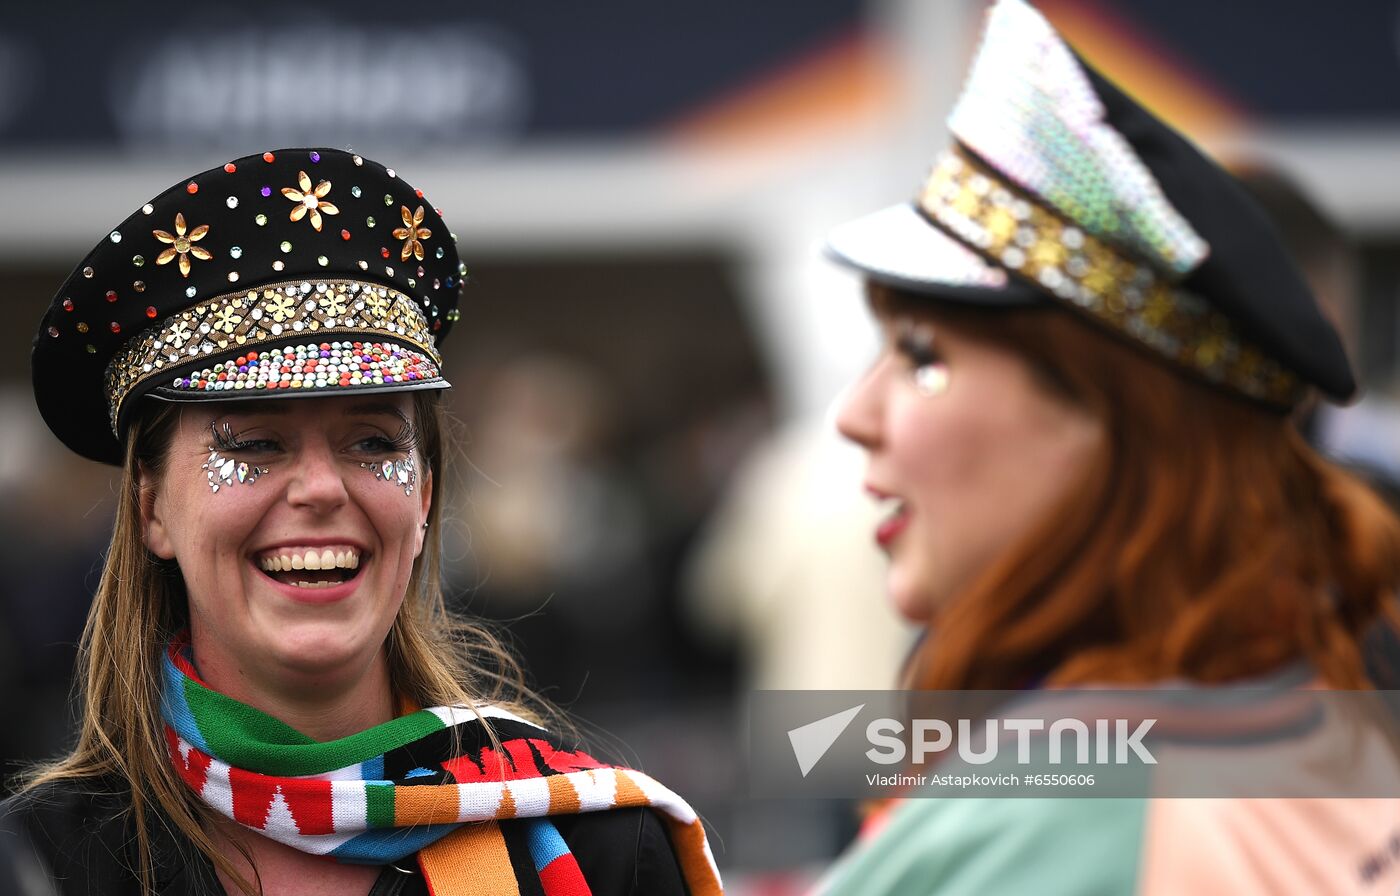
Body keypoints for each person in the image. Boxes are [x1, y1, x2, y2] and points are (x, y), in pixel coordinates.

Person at [0, 148, 723, 896]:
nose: (319, 488)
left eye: (374, 442)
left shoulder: (601, 843)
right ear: (152, 508)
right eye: (253, 444)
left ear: (425, 500)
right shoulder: (37, 865)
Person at [816, 1, 1400, 892]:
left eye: (924, 358)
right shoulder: (1317, 721)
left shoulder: (1053, 817)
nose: (855, 414)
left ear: (1118, 433)